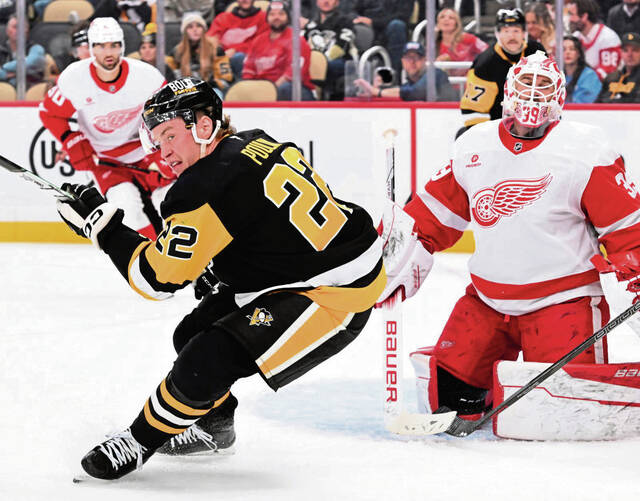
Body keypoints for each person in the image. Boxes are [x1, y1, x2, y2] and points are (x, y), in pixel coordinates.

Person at [55, 76, 385, 480]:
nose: (163, 153)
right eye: (157, 142)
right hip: (318, 262)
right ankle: (214, 428)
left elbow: (156, 280)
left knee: (208, 357)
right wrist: (223, 264)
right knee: (190, 333)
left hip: (334, 292)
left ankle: (139, 441)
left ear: (204, 126)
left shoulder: (204, 187)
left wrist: (103, 228)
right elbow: (267, 220)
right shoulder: (253, 141)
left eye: (170, 136)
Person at [377, 51, 640, 429]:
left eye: (543, 88)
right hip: (487, 301)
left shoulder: (587, 151)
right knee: (449, 400)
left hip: (563, 302)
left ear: (560, 98)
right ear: (508, 92)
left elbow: (628, 227)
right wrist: (394, 248)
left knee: (565, 416)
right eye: (526, 86)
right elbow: (431, 214)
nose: (533, 97)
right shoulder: (474, 145)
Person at [39, 17, 174, 240]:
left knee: (172, 201)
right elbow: (49, 113)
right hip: (106, 159)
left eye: (114, 45)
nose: (108, 52)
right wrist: (72, 140)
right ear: (91, 48)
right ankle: (152, 263)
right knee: (126, 209)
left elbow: (170, 115)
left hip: (147, 151)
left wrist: (166, 148)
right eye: (101, 46)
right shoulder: (74, 78)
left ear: (122, 46)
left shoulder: (146, 77)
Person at [459, 8, 545, 135]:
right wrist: (486, 137)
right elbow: (473, 110)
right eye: (506, 31)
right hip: (497, 131)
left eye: (516, 30)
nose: (511, 36)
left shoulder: (536, 52)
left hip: (533, 127)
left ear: (524, 33)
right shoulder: (485, 63)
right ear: (497, 34)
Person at [242, 1, 316, 101]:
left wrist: (269, 91)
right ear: (267, 18)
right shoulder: (258, 40)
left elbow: (292, 74)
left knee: (284, 89)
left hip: (295, 89)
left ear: (288, 18)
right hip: (263, 88)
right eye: (272, 14)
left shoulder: (297, 40)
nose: (276, 17)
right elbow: (248, 69)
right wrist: (250, 88)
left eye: (281, 14)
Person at [353, 41, 457, 101]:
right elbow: (405, 90)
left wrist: (376, 92)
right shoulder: (409, 83)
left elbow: (415, 92)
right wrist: (378, 89)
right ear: (402, 61)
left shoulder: (435, 74)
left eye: (416, 58)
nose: (412, 62)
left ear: (424, 60)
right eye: (408, 58)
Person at [303, 0, 357, 100]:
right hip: (313, 61)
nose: (326, 1)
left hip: (340, 61)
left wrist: (321, 62)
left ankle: (324, 99)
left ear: (337, 2)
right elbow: (302, 46)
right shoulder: (311, 24)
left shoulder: (345, 21)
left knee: (328, 66)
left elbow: (341, 48)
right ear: (316, 2)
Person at [172, 11, 234, 98]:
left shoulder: (216, 50)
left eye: (199, 26)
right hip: (185, 92)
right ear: (185, 31)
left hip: (211, 90)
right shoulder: (176, 52)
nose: (195, 29)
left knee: (216, 95)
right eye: (190, 27)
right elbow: (171, 79)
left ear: (204, 29)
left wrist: (207, 84)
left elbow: (225, 80)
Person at [345, 0, 414, 77]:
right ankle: (355, 76)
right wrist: (357, 19)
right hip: (367, 29)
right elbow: (352, 10)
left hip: (389, 28)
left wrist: (373, 22)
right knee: (349, 26)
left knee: (397, 25)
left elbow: (403, 16)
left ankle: (394, 76)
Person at [205, 0, 269, 79]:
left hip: (250, 62)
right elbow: (209, 38)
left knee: (239, 57)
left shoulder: (263, 18)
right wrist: (220, 52)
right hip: (221, 62)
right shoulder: (223, 18)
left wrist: (236, 50)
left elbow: (262, 43)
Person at [567, 0, 621, 80]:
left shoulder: (608, 38)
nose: (570, 19)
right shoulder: (576, 37)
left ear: (584, 16)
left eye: (572, 15)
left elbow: (608, 73)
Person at [0, 14, 46, 87]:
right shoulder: (1, 50)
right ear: (7, 31)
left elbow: (30, 63)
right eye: (15, 27)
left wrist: (4, 68)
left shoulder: (36, 48)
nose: (19, 30)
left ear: (27, 30)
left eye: (22, 27)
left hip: (29, 90)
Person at [597, 31, 640, 102]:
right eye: (625, 50)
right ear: (620, 53)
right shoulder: (612, 78)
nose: (630, 55)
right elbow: (596, 105)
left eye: (635, 50)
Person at [563, 35, 602, 103]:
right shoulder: (557, 75)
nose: (567, 52)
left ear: (579, 53)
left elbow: (585, 102)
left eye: (572, 49)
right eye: (563, 49)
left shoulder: (590, 76)